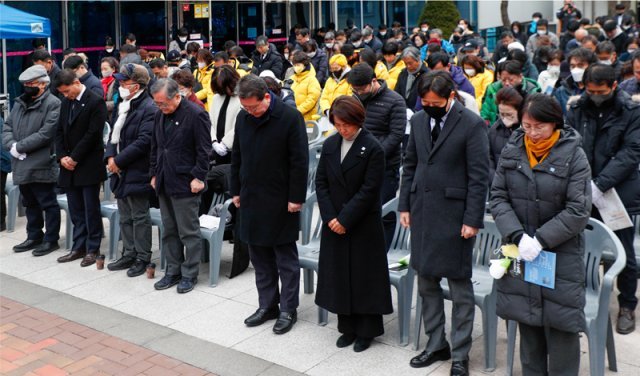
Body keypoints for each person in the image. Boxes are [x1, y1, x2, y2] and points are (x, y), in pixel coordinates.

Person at [491, 93, 591, 375]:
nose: (532, 133)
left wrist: (541, 239)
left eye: (539, 127)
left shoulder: (573, 154)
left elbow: (578, 209)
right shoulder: (513, 149)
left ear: (555, 124)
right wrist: (517, 235)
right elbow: (498, 196)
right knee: (529, 327)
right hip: (521, 252)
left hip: (560, 254)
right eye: (526, 125)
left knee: (561, 331)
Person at [400, 71, 489, 376]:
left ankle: (461, 354)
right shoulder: (419, 120)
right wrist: (404, 205)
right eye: (424, 102)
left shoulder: (471, 123)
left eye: (435, 102)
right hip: (423, 210)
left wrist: (472, 219)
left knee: (460, 289)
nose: (429, 106)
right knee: (426, 283)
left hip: (455, 216)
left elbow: (479, 176)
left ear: (450, 96)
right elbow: (410, 163)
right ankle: (436, 343)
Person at [230, 75, 308, 335]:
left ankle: (288, 308)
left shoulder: (289, 118)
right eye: (246, 108)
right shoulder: (243, 118)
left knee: (285, 258)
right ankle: (267, 305)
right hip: (251, 196)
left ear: (266, 97)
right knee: (259, 257)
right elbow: (237, 157)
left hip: (281, 199)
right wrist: (236, 190)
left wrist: (296, 197)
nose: (250, 112)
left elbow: (300, 162)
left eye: (254, 107)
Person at [565, 64, 640, 334]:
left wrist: (601, 184)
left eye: (601, 91)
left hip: (616, 193)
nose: (595, 95)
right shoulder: (577, 109)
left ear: (614, 86)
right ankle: (585, 298)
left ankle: (628, 305)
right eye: (590, 90)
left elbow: (631, 152)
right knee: (582, 249)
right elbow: (569, 143)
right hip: (582, 189)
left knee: (623, 254)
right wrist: (582, 183)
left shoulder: (631, 111)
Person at [314, 95, 392, 352]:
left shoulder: (372, 148)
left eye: (346, 125)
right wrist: (330, 217)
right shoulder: (331, 144)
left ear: (358, 121)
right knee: (339, 275)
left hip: (361, 223)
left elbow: (370, 190)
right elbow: (321, 182)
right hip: (334, 220)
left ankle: (366, 330)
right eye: (337, 124)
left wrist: (345, 219)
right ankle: (346, 326)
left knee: (363, 277)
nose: (342, 129)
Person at [149, 78, 211, 293]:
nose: (160, 107)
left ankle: (189, 274)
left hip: (186, 181)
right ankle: (172, 271)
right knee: (169, 230)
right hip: (164, 179)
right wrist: (154, 173)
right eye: (157, 104)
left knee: (188, 231)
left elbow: (204, 150)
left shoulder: (196, 114)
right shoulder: (159, 115)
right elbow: (156, 146)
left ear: (177, 96)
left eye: (163, 103)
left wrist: (198, 177)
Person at [102, 64, 157, 277]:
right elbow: (112, 134)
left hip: (137, 168)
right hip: (119, 169)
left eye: (124, 82)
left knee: (139, 216)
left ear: (136, 86)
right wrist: (109, 156)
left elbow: (144, 141)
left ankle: (143, 256)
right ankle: (129, 252)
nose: (120, 85)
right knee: (125, 214)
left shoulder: (148, 108)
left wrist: (119, 161)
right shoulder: (124, 104)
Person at [2, 65, 61, 255]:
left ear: (43, 84)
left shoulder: (53, 103)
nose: (28, 86)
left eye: (32, 83)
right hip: (20, 161)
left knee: (47, 202)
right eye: (25, 84)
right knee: (29, 202)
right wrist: (11, 145)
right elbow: (7, 127)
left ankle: (51, 239)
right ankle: (34, 235)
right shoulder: (20, 103)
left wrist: (20, 147)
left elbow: (46, 133)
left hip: (41, 161)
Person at [347, 64, 406, 248]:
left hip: (385, 166)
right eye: (354, 89)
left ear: (373, 81)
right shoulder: (355, 99)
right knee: (360, 210)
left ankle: (384, 251)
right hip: (358, 164)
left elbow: (396, 135)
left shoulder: (395, 101)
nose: (358, 92)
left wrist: (373, 154)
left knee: (384, 211)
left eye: (362, 89)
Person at [54, 69, 107, 267]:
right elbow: (59, 130)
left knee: (89, 207)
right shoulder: (66, 102)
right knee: (75, 208)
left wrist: (74, 157)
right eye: (63, 93)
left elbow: (93, 134)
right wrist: (62, 156)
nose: (66, 95)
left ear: (76, 82)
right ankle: (79, 245)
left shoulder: (95, 101)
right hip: (68, 164)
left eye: (68, 91)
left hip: (87, 163)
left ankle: (92, 247)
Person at [203, 65, 241, 213]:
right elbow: (210, 121)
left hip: (232, 149)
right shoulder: (217, 98)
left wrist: (225, 144)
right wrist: (213, 141)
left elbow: (239, 124)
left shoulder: (240, 98)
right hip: (217, 147)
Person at [489, 87, 523, 181]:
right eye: (502, 114)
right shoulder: (494, 130)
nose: (505, 118)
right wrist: (494, 179)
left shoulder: (527, 130)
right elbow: (489, 157)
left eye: (509, 114)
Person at [552, 47, 596, 114]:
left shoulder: (599, 90)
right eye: (572, 66)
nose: (576, 69)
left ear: (591, 66)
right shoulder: (561, 91)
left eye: (580, 65)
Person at [290, 51, 321, 120]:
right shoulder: (291, 78)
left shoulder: (312, 80)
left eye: (298, 65)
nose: (296, 67)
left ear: (305, 65)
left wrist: (298, 111)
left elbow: (312, 100)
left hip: (307, 118)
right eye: (294, 65)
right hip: (292, 116)